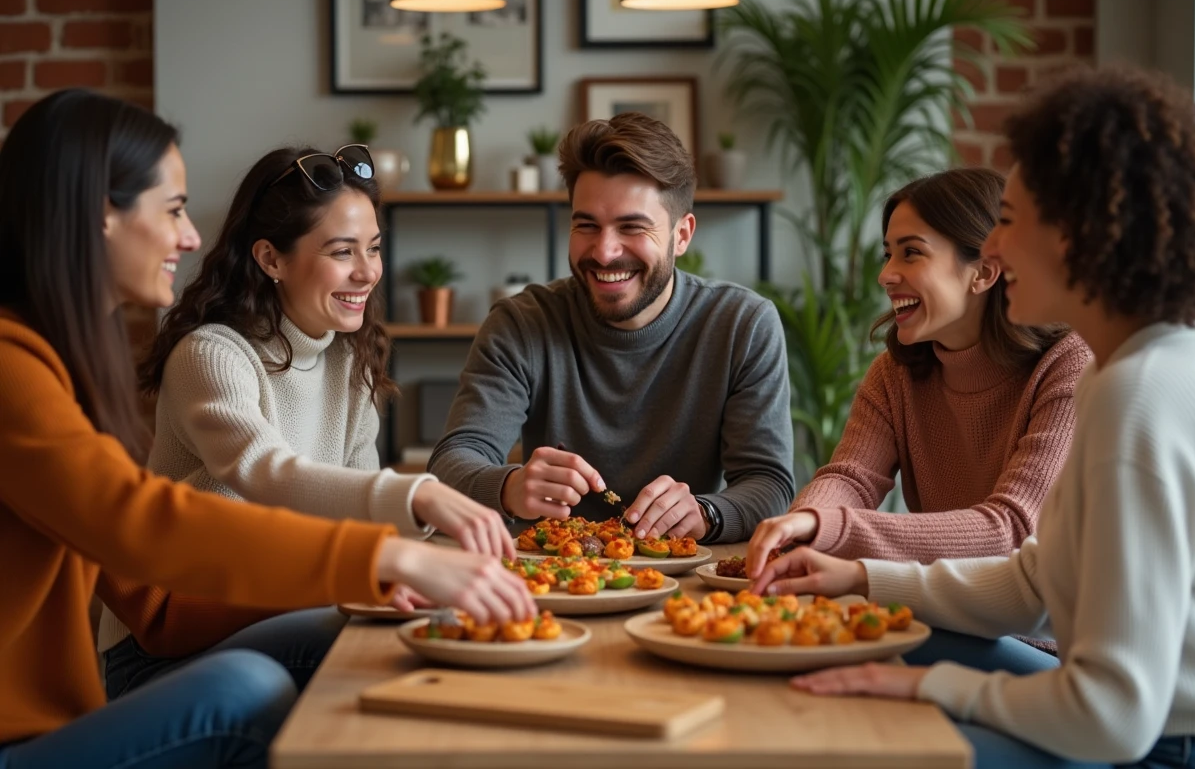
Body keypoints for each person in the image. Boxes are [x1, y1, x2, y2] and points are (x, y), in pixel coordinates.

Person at [0, 89, 534, 769]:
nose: (191, 235)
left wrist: (381, 577)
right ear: (98, 215)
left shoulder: (63, 370)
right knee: (245, 688)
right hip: (27, 741)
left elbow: (142, 585)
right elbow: (145, 521)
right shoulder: (16, 370)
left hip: (87, 704)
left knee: (383, 634)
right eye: (173, 210)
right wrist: (383, 555)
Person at [753, 65, 1195, 769]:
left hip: (1160, 750)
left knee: (856, 749)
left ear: (1077, 234)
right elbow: (1036, 583)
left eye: (1011, 224)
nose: (994, 249)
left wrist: (930, 685)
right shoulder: (1132, 373)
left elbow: (1111, 716)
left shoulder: (1128, 394)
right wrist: (861, 577)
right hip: (1134, 726)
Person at [97, 144, 514, 699]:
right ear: (271, 259)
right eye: (342, 252)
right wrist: (418, 498)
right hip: (165, 644)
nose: (367, 272)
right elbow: (266, 472)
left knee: (429, 627)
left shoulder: (349, 357)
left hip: (272, 609)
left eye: (373, 248)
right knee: (369, 648)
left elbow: (361, 518)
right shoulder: (213, 353)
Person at [427, 112, 795, 544]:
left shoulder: (743, 325)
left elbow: (769, 484)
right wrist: (507, 488)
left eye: (631, 227)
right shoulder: (521, 324)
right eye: (586, 226)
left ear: (682, 235)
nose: (604, 252)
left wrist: (707, 512)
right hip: (549, 583)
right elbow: (451, 464)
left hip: (685, 584)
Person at [746, 168, 1089, 578]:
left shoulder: (1068, 366)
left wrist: (830, 527)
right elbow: (851, 479)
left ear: (983, 271)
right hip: (934, 611)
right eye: (888, 253)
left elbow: (1012, 531)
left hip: (1038, 638)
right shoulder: (896, 372)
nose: (886, 274)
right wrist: (802, 523)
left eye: (911, 252)